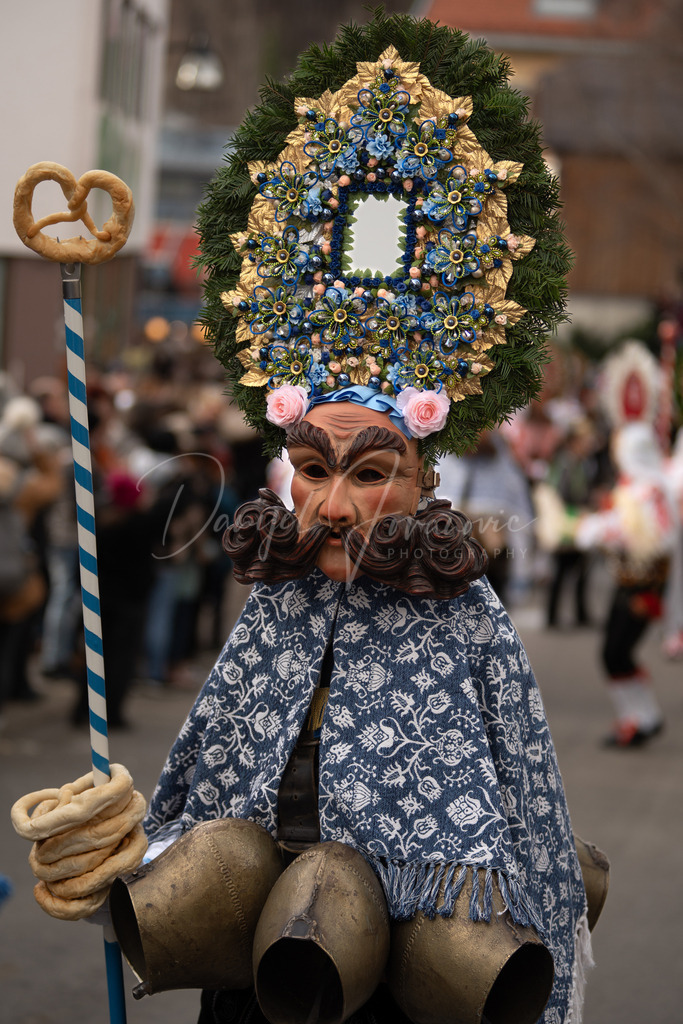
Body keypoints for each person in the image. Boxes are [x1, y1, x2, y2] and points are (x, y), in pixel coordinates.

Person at [11, 16, 605, 1024]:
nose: (329, 504)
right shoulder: (275, 610)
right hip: (259, 983)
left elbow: (533, 826)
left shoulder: (467, 623)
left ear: (419, 477)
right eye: (310, 469)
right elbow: (201, 793)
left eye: (367, 473)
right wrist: (117, 851)